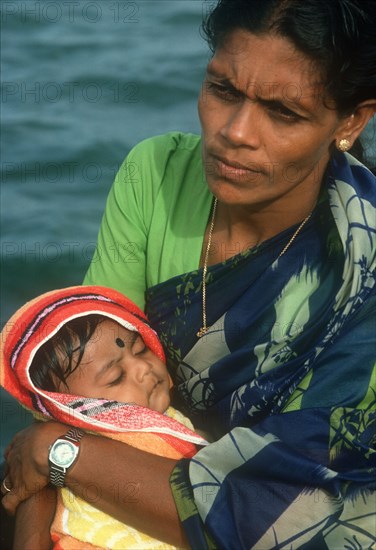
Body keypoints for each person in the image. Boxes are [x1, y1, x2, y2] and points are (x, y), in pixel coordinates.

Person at [2, 0, 376, 548]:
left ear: (349, 121)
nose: (236, 132)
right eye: (223, 90)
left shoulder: (359, 274)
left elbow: (298, 509)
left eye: (283, 113)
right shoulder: (154, 177)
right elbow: (72, 401)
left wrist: (58, 455)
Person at [0, 285, 206, 549]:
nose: (143, 368)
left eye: (141, 349)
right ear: (69, 408)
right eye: (116, 377)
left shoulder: (159, 423)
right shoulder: (101, 440)